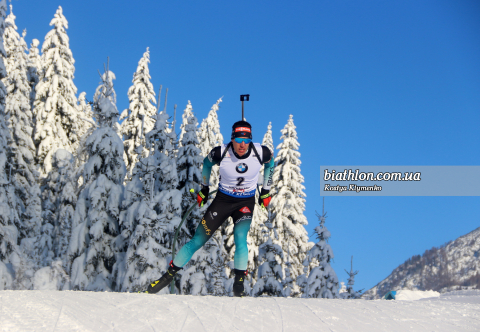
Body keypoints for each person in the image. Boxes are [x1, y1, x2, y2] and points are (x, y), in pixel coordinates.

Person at [146, 120, 275, 296]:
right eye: (238, 139)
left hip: (244, 203)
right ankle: (168, 275)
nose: (242, 144)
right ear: (232, 139)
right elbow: (206, 165)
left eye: (246, 140)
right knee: (197, 240)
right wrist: (204, 189)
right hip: (222, 201)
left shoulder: (261, 152)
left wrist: (265, 192)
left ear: (251, 140)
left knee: (240, 238)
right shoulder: (221, 152)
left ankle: (239, 284)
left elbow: (270, 164)